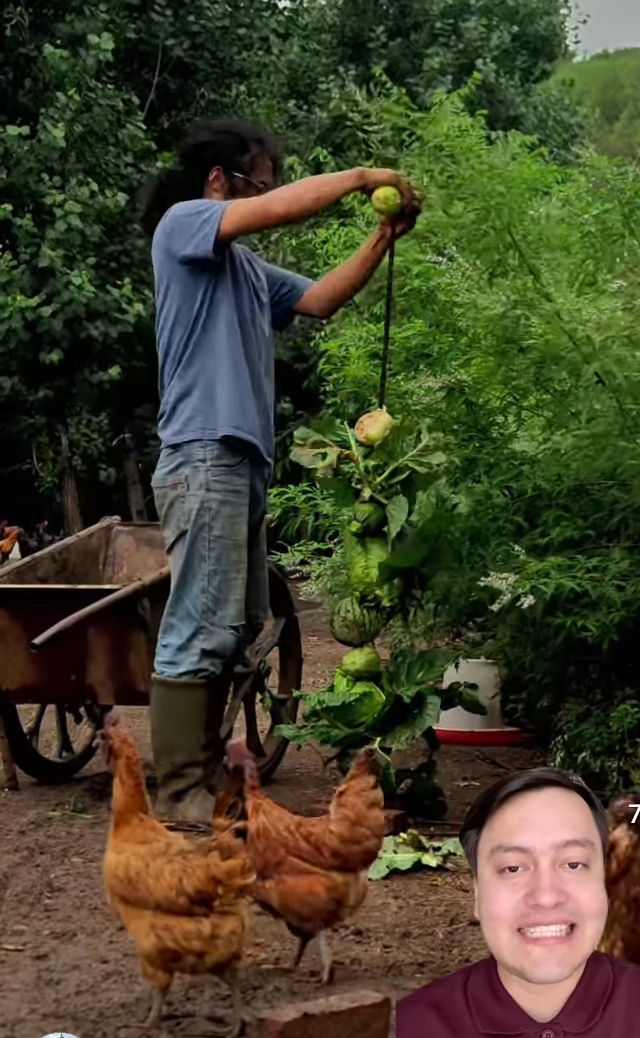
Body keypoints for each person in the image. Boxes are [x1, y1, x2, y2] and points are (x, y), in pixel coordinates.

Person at [138, 117, 421, 824]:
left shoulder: (246, 271)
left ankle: (200, 783)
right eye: (257, 185)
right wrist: (362, 178)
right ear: (218, 183)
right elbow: (279, 209)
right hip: (202, 453)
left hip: (239, 460)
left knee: (234, 627)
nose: (268, 199)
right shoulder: (182, 228)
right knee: (199, 623)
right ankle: (179, 795)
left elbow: (322, 299)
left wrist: (380, 238)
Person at [397, 768, 640, 1038]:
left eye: (573, 864)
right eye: (513, 868)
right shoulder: (412, 1026)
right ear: (478, 893)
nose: (546, 896)